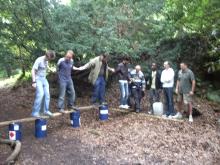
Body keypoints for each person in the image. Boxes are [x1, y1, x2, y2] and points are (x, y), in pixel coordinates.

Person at [31, 50, 56, 117]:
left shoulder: (46, 61)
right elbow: (33, 70)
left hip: (44, 79)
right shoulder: (39, 60)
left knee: (47, 94)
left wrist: (50, 69)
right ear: (47, 56)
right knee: (41, 94)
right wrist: (34, 81)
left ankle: (45, 110)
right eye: (50, 59)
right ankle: (35, 112)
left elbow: (45, 67)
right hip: (38, 79)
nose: (50, 60)